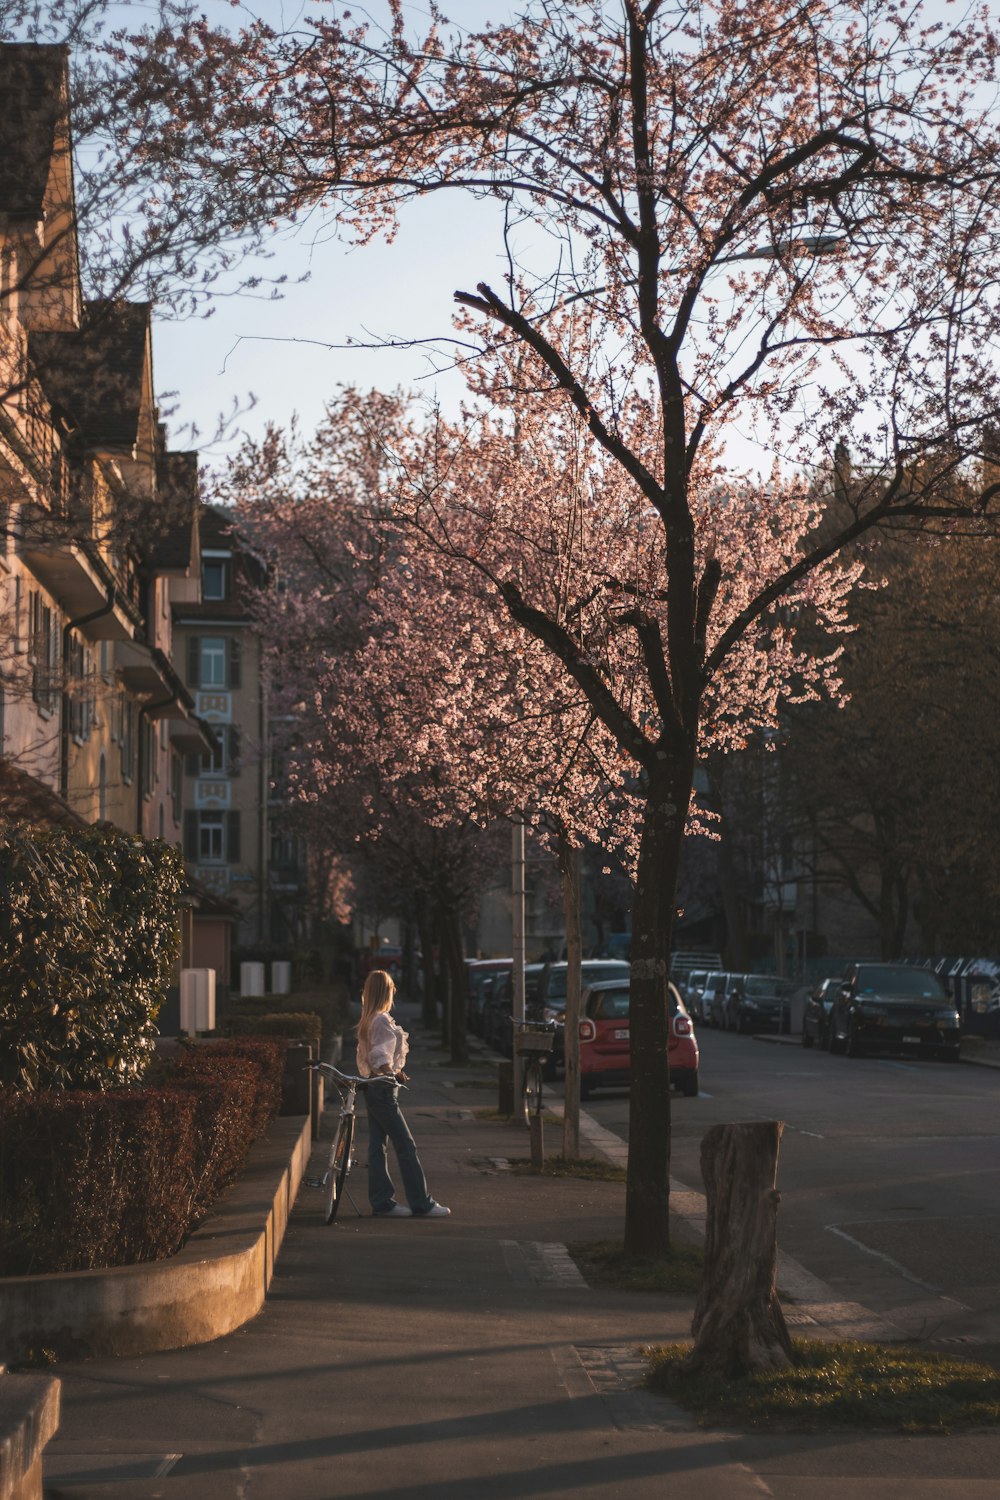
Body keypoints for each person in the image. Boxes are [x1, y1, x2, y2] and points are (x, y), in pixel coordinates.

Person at [354, 969, 451, 1219]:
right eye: (392, 987)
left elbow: (370, 1055)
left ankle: (382, 1202)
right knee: (405, 1145)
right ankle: (421, 1203)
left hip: (372, 1086)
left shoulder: (369, 1018)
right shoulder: (382, 1020)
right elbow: (379, 1054)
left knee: (377, 1147)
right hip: (384, 1089)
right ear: (387, 991)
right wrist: (392, 1072)